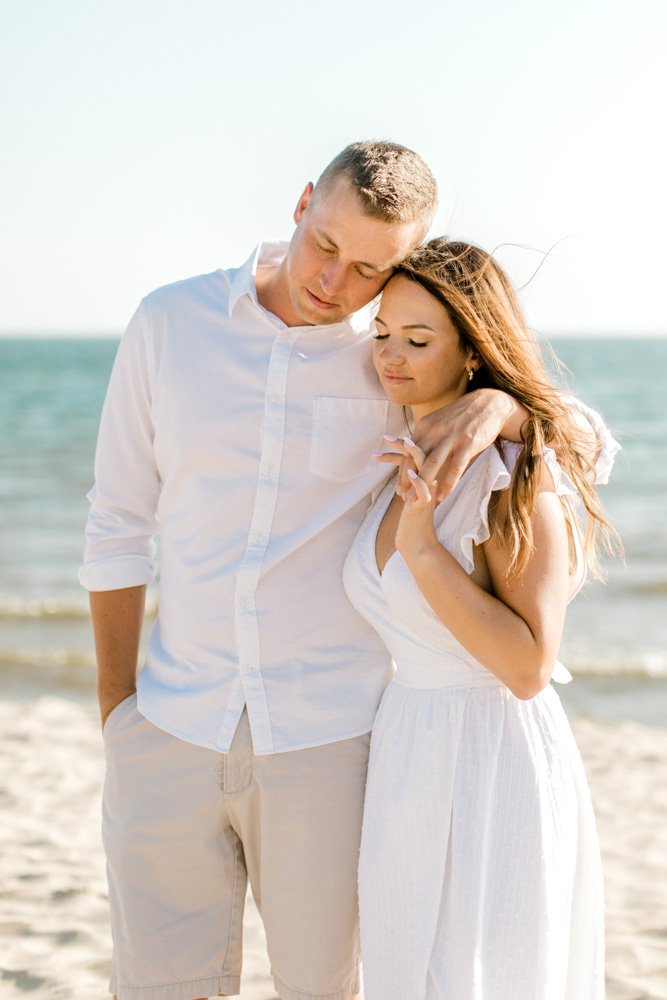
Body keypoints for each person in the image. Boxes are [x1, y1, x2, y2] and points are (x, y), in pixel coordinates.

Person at [80, 141, 613, 1000]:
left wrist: (498, 400)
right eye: (326, 245)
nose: (334, 281)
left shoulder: (392, 350)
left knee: (324, 988)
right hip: (170, 724)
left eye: (370, 267)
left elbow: (574, 437)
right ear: (300, 204)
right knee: (153, 986)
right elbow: (116, 524)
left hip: (328, 737)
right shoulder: (169, 322)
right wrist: (118, 713)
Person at [343, 238, 618, 1000]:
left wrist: (423, 549)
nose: (390, 358)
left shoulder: (511, 480)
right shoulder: (393, 453)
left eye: (418, 340)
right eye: (382, 335)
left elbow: (529, 667)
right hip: (407, 748)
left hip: (493, 756)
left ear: (472, 353)